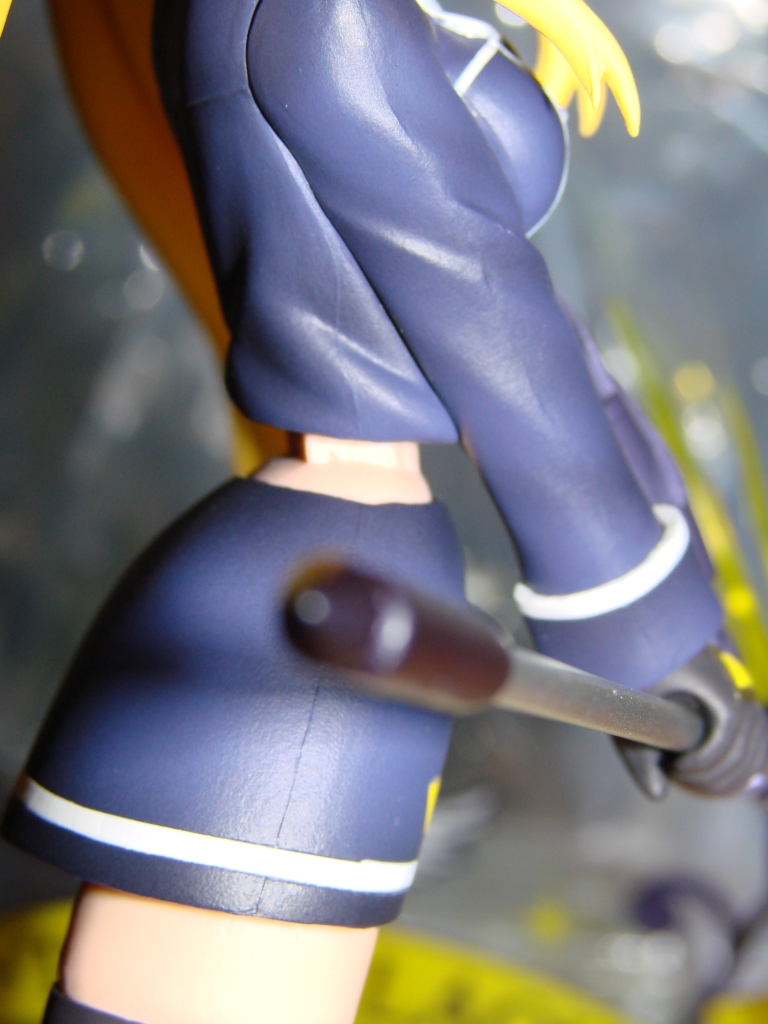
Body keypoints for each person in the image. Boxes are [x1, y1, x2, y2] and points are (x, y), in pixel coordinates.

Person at [1, 1, 766, 1023]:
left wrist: (664, 623)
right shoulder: (325, 16)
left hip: (337, 556)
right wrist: (638, 620)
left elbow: (534, 326)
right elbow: (495, 324)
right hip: (320, 606)